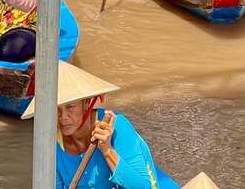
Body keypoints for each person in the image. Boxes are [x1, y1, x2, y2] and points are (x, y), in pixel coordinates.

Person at [21, 61, 176, 189]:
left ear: (86, 103)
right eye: (56, 110)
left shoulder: (116, 126)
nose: (63, 117)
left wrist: (107, 150)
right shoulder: (50, 141)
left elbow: (145, 188)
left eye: (70, 107)